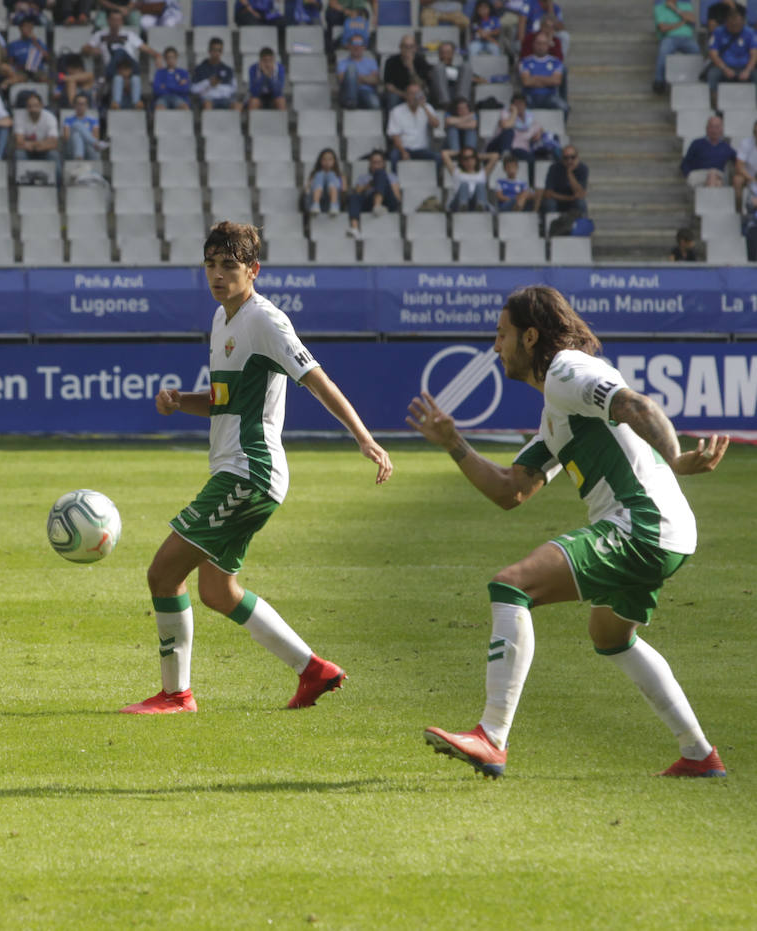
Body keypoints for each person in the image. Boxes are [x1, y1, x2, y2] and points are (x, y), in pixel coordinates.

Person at [409, 285, 729, 779]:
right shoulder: (556, 410)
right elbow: (511, 490)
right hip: (667, 532)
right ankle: (698, 753)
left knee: (511, 586)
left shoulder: (566, 370)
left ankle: (491, 736)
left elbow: (636, 406)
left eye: (502, 334)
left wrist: (677, 457)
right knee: (610, 635)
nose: (496, 347)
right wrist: (455, 443)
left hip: (641, 524)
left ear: (531, 336)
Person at [120, 222, 392, 716]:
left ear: (253, 270)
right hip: (235, 470)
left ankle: (176, 696)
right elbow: (226, 402)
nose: (218, 275)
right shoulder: (222, 319)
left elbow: (316, 379)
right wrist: (182, 402)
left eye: (229, 266)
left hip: (250, 472)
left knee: (163, 572)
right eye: (211, 265)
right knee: (218, 591)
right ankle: (313, 670)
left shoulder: (265, 320)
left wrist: (365, 439)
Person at [345, 150, 400, 237]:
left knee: (380, 173)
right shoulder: (363, 178)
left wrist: (382, 182)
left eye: (379, 162)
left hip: (388, 201)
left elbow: (397, 197)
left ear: (384, 163)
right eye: (374, 163)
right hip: (369, 200)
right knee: (354, 197)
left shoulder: (391, 176)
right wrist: (369, 185)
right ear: (370, 164)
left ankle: (377, 205)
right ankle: (355, 228)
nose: (376, 165)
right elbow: (357, 193)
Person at [706, 5, 757, 96]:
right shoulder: (718, 32)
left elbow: (754, 54)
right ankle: (714, 104)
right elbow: (713, 54)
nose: (735, 27)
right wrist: (724, 68)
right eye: (732, 25)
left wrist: (748, 70)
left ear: (742, 22)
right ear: (726, 23)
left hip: (745, 67)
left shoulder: (750, 32)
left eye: (738, 25)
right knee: (712, 74)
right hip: (724, 67)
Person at [386, 82, 439, 169]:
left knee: (438, 157)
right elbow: (395, 135)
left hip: (422, 150)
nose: (415, 96)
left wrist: (424, 107)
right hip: (404, 149)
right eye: (412, 93)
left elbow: (436, 124)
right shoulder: (396, 111)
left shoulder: (427, 107)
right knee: (393, 156)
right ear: (406, 95)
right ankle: (394, 181)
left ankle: (437, 180)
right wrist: (403, 151)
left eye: (417, 93)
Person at [654, 0, 700, 93]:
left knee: (697, 52)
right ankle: (659, 81)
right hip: (669, 37)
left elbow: (693, 20)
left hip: (687, 38)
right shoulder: (659, 8)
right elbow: (663, 28)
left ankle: (699, 78)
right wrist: (681, 22)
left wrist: (675, 9)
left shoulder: (686, 6)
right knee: (663, 52)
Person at [681, 115, 737, 188]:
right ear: (706, 128)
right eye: (711, 127)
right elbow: (685, 163)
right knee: (717, 182)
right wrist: (688, 174)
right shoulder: (697, 143)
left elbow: (738, 161)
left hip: (717, 174)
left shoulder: (726, 147)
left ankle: (709, 195)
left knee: (714, 175)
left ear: (721, 129)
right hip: (698, 175)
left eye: (717, 127)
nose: (714, 130)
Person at [13, 90, 61, 176]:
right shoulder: (20, 117)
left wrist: (33, 145)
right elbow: (18, 143)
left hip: (44, 151)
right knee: (19, 154)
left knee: (54, 155)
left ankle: (57, 186)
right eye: (30, 106)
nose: (33, 109)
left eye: (35, 105)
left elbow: (54, 143)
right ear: (27, 107)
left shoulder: (50, 117)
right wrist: (40, 144)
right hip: (28, 151)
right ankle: (21, 185)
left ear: (41, 105)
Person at [519, 30, 567, 115]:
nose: (541, 46)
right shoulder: (525, 61)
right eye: (538, 43)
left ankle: (559, 127)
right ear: (533, 44)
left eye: (544, 43)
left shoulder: (556, 62)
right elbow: (526, 82)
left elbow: (556, 81)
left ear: (548, 45)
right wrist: (548, 80)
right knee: (520, 107)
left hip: (549, 96)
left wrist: (535, 78)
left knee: (564, 108)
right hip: (530, 96)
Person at [536, 144, 587, 216]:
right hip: (557, 201)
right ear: (562, 158)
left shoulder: (582, 169)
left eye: (572, 157)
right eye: (566, 158)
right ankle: (550, 226)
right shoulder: (554, 168)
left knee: (581, 203)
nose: (569, 160)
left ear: (577, 158)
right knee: (549, 203)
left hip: (572, 203)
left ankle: (582, 226)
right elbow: (548, 193)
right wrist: (569, 198)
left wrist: (570, 174)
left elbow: (580, 194)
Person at [191, 37, 240, 111]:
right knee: (207, 104)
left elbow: (233, 89)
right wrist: (208, 83)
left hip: (225, 99)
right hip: (208, 99)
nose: (217, 53)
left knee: (237, 106)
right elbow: (193, 89)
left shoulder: (228, 69)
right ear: (209, 51)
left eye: (219, 51)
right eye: (214, 50)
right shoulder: (200, 69)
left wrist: (218, 86)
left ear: (222, 52)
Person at [442, 146, 496, 212]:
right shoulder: (456, 171)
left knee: (480, 186)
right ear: (461, 160)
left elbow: (495, 156)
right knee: (464, 185)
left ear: (476, 159)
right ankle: (463, 206)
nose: (469, 161)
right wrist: (461, 153)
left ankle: (481, 206)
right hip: (459, 201)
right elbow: (444, 154)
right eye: (465, 158)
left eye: (472, 158)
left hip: (476, 201)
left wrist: (477, 155)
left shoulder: (482, 173)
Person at [337, 34, 381, 110]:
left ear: (364, 46)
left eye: (360, 44)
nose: (356, 47)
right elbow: (341, 79)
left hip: (366, 92)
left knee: (375, 104)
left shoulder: (371, 62)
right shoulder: (342, 62)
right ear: (349, 46)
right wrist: (366, 78)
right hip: (347, 94)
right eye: (354, 43)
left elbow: (375, 80)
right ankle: (351, 102)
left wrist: (352, 78)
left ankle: (353, 104)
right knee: (351, 68)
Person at [61, 91, 104, 159]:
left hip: (89, 148)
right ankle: (97, 144)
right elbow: (66, 138)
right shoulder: (68, 119)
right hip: (72, 147)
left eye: (83, 104)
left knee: (77, 134)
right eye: (78, 104)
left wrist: (82, 137)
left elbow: (96, 136)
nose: (80, 106)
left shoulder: (93, 120)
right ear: (74, 105)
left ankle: (79, 157)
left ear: (87, 106)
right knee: (76, 126)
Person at [306, 147, 346, 216]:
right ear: (320, 161)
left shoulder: (340, 175)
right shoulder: (315, 174)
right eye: (324, 159)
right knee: (319, 175)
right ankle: (316, 204)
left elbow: (344, 190)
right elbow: (307, 190)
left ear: (334, 161)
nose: (327, 162)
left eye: (330, 159)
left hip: (333, 201)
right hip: (315, 201)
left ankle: (333, 205)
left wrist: (331, 183)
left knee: (331, 174)